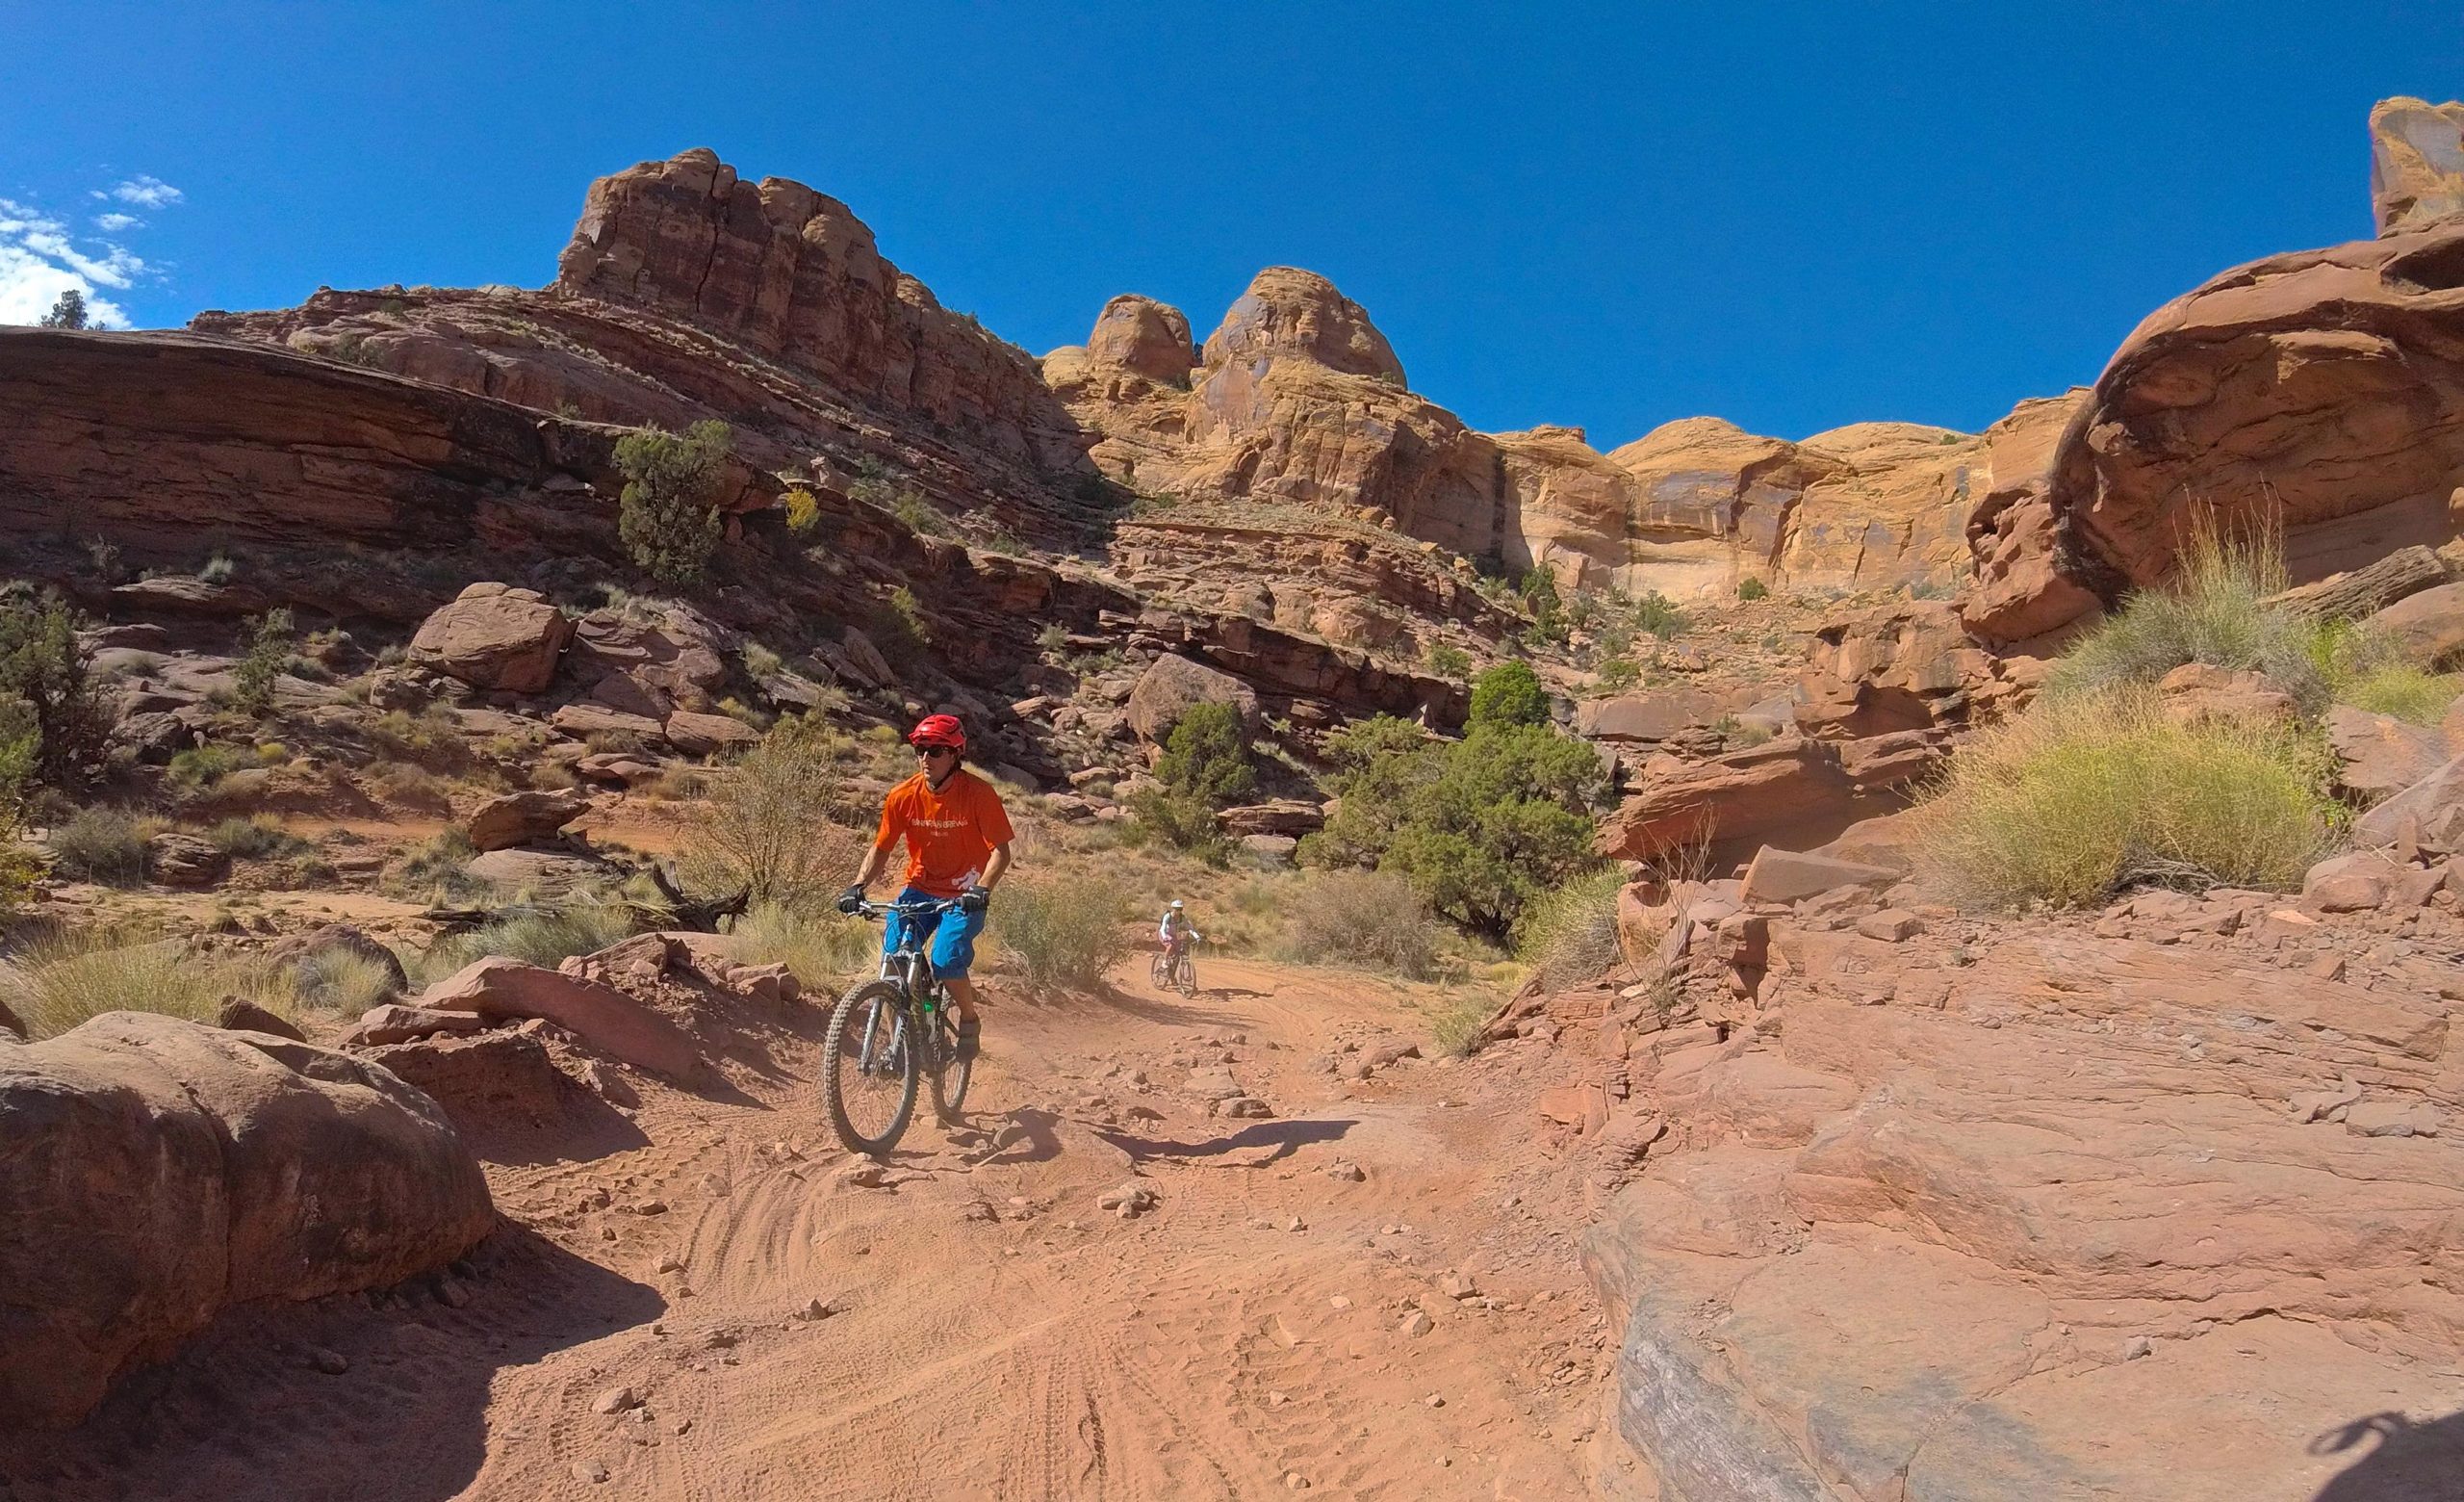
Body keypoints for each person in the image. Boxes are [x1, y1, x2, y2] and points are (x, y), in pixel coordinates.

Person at [839, 714, 1014, 1052]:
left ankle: (968, 1019)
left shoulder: (979, 794)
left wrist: (982, 889)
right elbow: (881, 848)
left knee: (947, 961)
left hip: (964, 894)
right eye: (920, 749)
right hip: (919, 889)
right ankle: (898, 1048)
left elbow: (1001, 854)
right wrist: (857, 886)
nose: (925, 758)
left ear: (954, 755)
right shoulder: (903, 796)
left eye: (935, 750)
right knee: (893, 963)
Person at [1157, 899, 1201, 973]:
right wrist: (1164, 937)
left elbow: (1189, 927)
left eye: (1180, 909)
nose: (1179, 911)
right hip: (1163, 934)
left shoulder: (1182, 917)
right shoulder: (1167, 916)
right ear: (1173, 909)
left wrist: (1197, 937)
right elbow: (1162, 928)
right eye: (1177, 909)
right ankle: (1164, 962)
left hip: (1173, 935)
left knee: (1177, 956)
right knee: (1170, 946)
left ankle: (1172, 976)